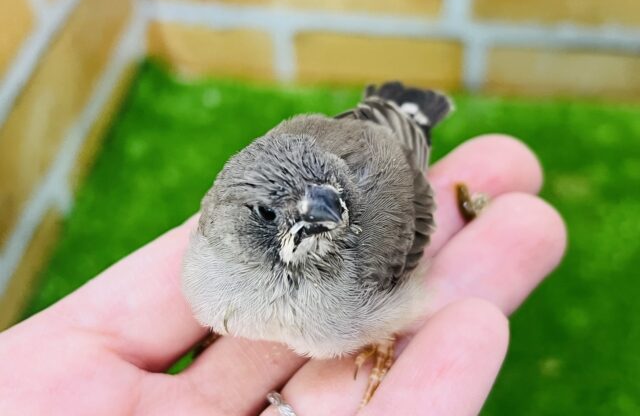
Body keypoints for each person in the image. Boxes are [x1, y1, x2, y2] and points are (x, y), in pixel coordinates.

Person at [0, 135, 566, 415]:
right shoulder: (209, 259)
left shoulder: (365, 253)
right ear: (231, 220)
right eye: (277, 213)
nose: (327, 216)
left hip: (386, 160)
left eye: (331, 200)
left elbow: (398, 194)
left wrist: (381, 337)